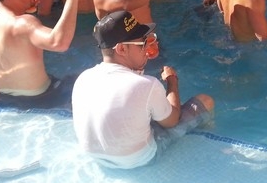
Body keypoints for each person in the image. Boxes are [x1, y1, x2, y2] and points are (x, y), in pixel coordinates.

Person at [71, 10, 214, 169]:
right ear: (122, 49)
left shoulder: (83, 77)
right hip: (138, 159)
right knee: (205, 101)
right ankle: (205, 133)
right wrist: (172, 81)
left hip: (96, 158)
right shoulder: (147, 85)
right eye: (142, 43)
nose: (147, 48)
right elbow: (172, 121)